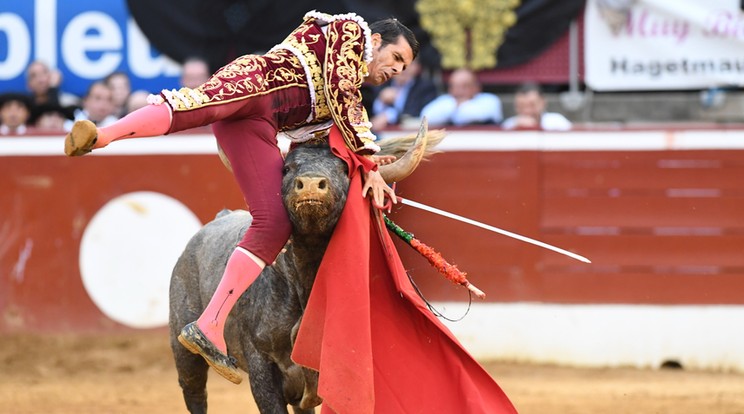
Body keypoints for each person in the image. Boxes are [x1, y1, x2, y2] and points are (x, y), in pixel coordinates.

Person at [64, 11, 412, 385]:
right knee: (191, 107)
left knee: (274, 224)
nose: (397, 70)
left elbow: (330, 133)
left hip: (256, 127)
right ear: (376, 42)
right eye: (397, 59)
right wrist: (368, 158)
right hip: (254, 83)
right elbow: (343, 96)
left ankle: (209, 324)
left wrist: (366, 163)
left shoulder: (341, 100)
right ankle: (101, 136)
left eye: (404, 67)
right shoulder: (350, 34)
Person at [370, 57, 438, 131]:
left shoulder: (426, 88)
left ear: (418, 67)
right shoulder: (379, 83)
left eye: (409, 64)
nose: (404, 68)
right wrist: (381, 101)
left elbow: (414, 115)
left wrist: (388, 116)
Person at [420, 68, 503, 126]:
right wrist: (455, 105)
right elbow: (425, 118)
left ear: (477, 87)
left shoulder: (490, 100)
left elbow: (468, 116)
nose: (459, 91)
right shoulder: (446, 100)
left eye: (464, 86)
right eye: (454, 86)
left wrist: (457, 107)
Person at [501, 82, 573, 131]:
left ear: (543, 103)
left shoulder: (557, 122)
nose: (527, 111)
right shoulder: (509, 125)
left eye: (532, 105)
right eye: (521, 106)